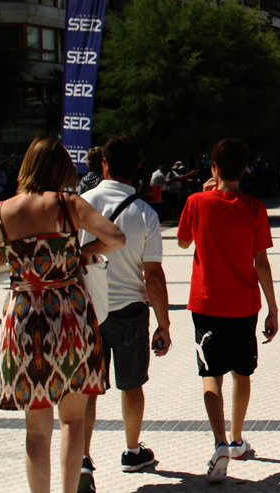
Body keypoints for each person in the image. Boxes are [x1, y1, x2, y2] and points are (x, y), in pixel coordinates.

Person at [3, 139, 126, 493]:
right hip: (69, 316)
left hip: (24, 317)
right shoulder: (67, 204)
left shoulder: (1, 211)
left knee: (36, 429)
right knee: (72, 420)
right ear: (58, 170)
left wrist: (27, 260)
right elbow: (115, 237)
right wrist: (79, 251)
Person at [178, 143, 276, 484]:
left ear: (214, 167)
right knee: (242, 372)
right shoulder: (255, 208)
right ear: (245, 168)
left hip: (205, 304)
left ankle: (219, 442)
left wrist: (203, 195)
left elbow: (182, 242)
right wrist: (273, 308)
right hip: (245, 305)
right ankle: (236, 439)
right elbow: (261, 261)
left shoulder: (196, 203)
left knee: (210, 373)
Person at [78, 144, 165, 476]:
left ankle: (82, 457)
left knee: (87, 386)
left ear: (104, 164)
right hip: (130, 309)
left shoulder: (81, 204)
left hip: (87, 309)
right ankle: (132, 451)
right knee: (131, 384)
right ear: (139, 166)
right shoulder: (146, 213)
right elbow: (153, 276)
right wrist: (164, 324)